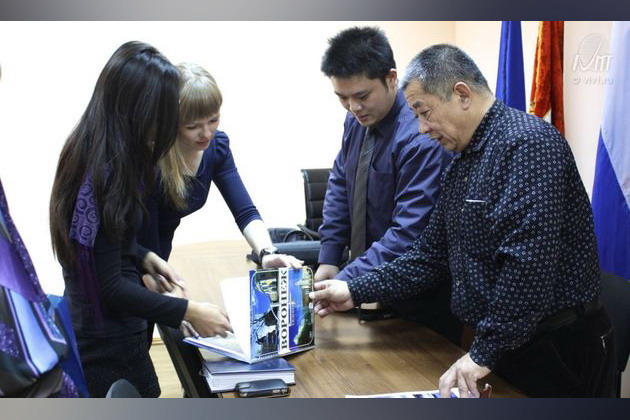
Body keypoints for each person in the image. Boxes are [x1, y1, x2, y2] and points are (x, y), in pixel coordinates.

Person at [310, 44, 616, 398]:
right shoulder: (463, 159)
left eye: (425, 113)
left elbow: (527, 265)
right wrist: (354, 290)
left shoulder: (528, 144)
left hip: (557, 349)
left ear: (462, 94)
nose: (422, 128)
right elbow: (429, 255)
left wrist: (485, 351)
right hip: (504, 343)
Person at [49, 42, 232, 398]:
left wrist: (141, 254)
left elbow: (100, 242)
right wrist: (189, 311)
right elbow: (110, 286)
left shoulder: (95, 148)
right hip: (107, 340)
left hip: (108, 326)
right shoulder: (105, 172)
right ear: (141, 111)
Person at [316, 27, 458, 341]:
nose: (353, 107)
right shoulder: (356, 120)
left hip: (416, 300)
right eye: (342, 98)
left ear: (391, 78)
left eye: (362, 96)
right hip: (365, 288)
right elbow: (341, 182)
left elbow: (409, 234)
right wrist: (329, 256)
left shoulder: (421, 137)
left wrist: (349, 278)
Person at [137, 62, 301, 275]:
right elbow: (144, 239)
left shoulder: (216, 148)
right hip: (130, 256)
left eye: (213, 120)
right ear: (171, 122)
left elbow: (245, 211)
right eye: (192, 126)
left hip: (159, 250)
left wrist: (267, 253)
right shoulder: (152, 160)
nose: (206, 133)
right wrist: (158, 280)